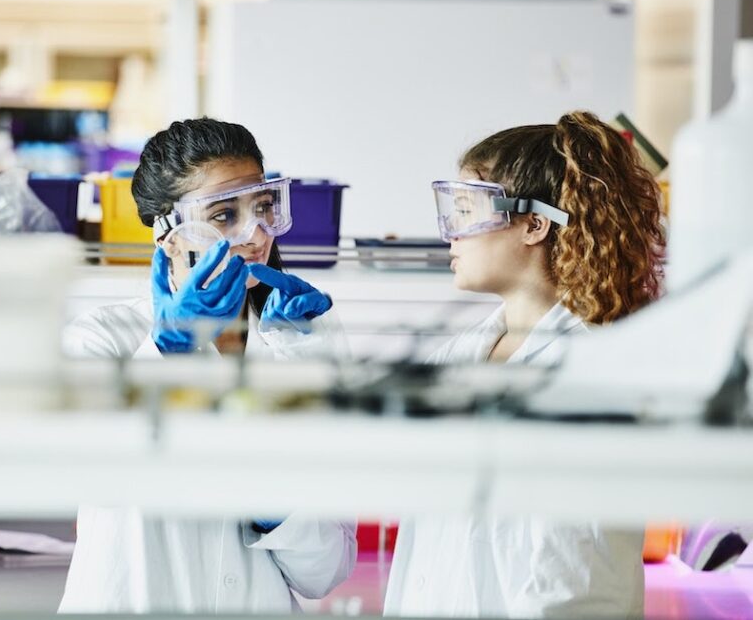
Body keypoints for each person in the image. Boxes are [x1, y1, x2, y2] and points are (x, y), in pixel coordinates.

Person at [59, 118, 356, 613]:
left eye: (263, 207)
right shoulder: (101, 339)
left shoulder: (306, 335)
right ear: (168, 235)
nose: (256, 233)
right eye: (222, 215)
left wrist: (277, 512)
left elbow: (326, 573)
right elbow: (89, 473)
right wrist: (168, 353)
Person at [385, 111, 665, 618]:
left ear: (534, 224)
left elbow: (577, 574)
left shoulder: (589, 370)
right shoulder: (460, 353)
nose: (451, 233)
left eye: (465, 211)